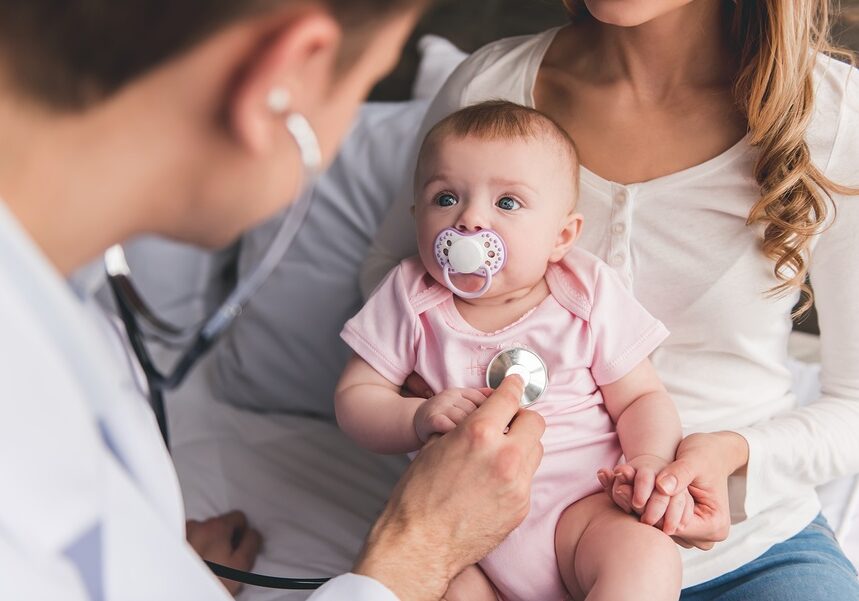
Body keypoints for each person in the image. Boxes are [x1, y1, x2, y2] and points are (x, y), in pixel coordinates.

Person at [0, 2, 548, 600]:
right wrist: (419, 548)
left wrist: (166, 575)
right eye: (365, 81)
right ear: (283, 81)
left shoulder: (68, 310)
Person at [362, 0, 859, 598]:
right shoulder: (489, 88)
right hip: (484, 544)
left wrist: (734, 453)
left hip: (749, 552)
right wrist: (428, 399)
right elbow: (392, 276)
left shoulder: (833, 115)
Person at [336, 100, 687, 600]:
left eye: (507, 203)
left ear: (561, 236)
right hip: (459, 533)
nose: (470, 220)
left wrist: (649, 458)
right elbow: (357, 397)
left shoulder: (584, 292)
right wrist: (415, 417)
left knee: (646, 556)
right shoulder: (411, 296)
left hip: (582, 511)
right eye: (445, 198)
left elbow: (639, 399)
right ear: (417, 220)